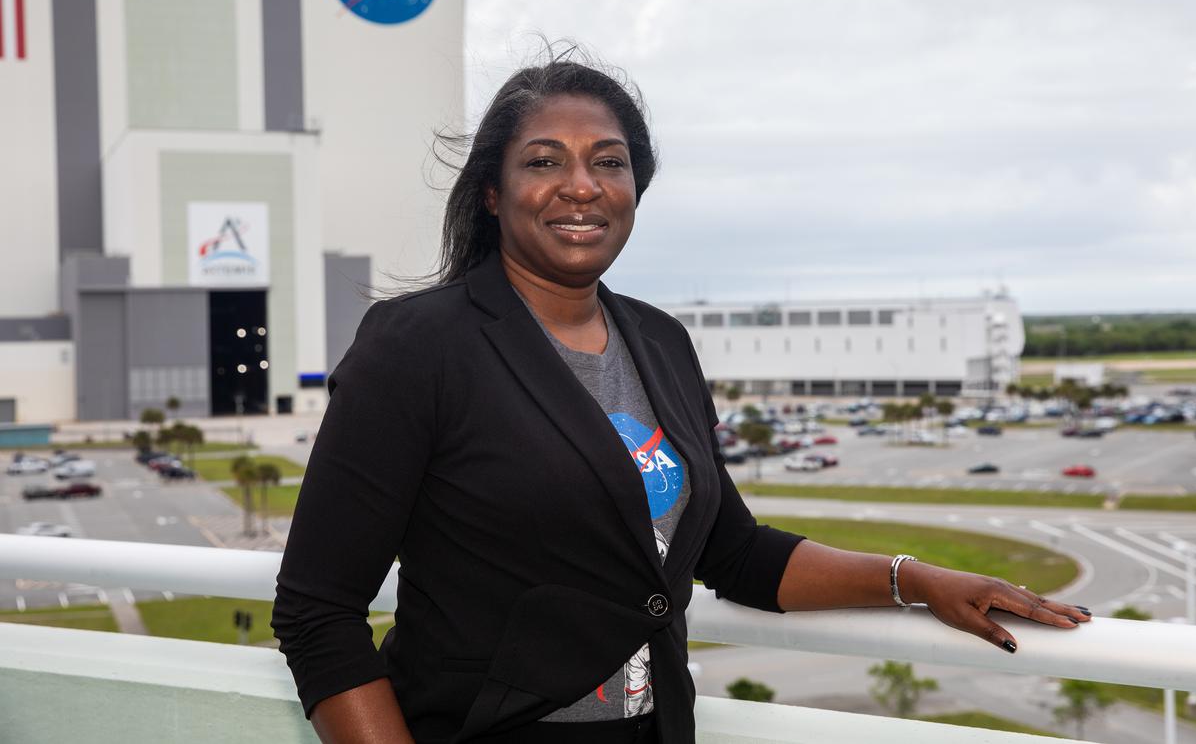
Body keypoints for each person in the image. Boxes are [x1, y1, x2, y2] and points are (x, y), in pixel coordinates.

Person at [271, 52, 1091, 744]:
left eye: (609, 160)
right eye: (544, 160)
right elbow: (318, 611)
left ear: (636, 185)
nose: (581, 185)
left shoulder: (659, 342)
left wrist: (916, 578)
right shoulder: (421, 344)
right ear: (492, 191)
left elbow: (729, 549)